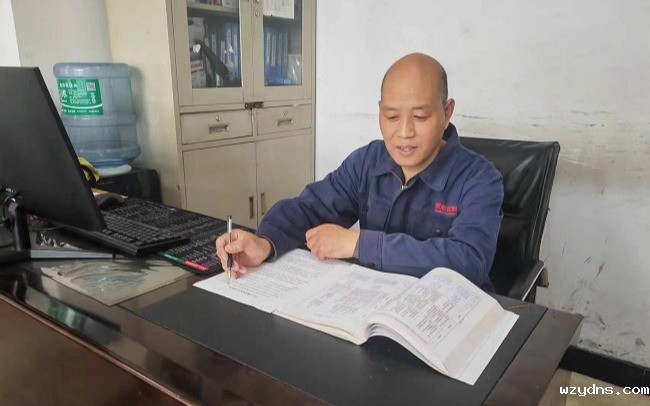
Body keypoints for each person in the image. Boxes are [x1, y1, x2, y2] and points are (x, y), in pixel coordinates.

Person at [216, 53, 504, 291]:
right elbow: (310, 208)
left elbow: (469, 260)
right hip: (374, 301)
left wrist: (358, 244)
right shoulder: (368, 161)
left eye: (420, 117)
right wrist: (265, 242)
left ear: (447, 112)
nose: (404, 132)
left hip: (447, 313)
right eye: (392, 116)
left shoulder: (479, 178)